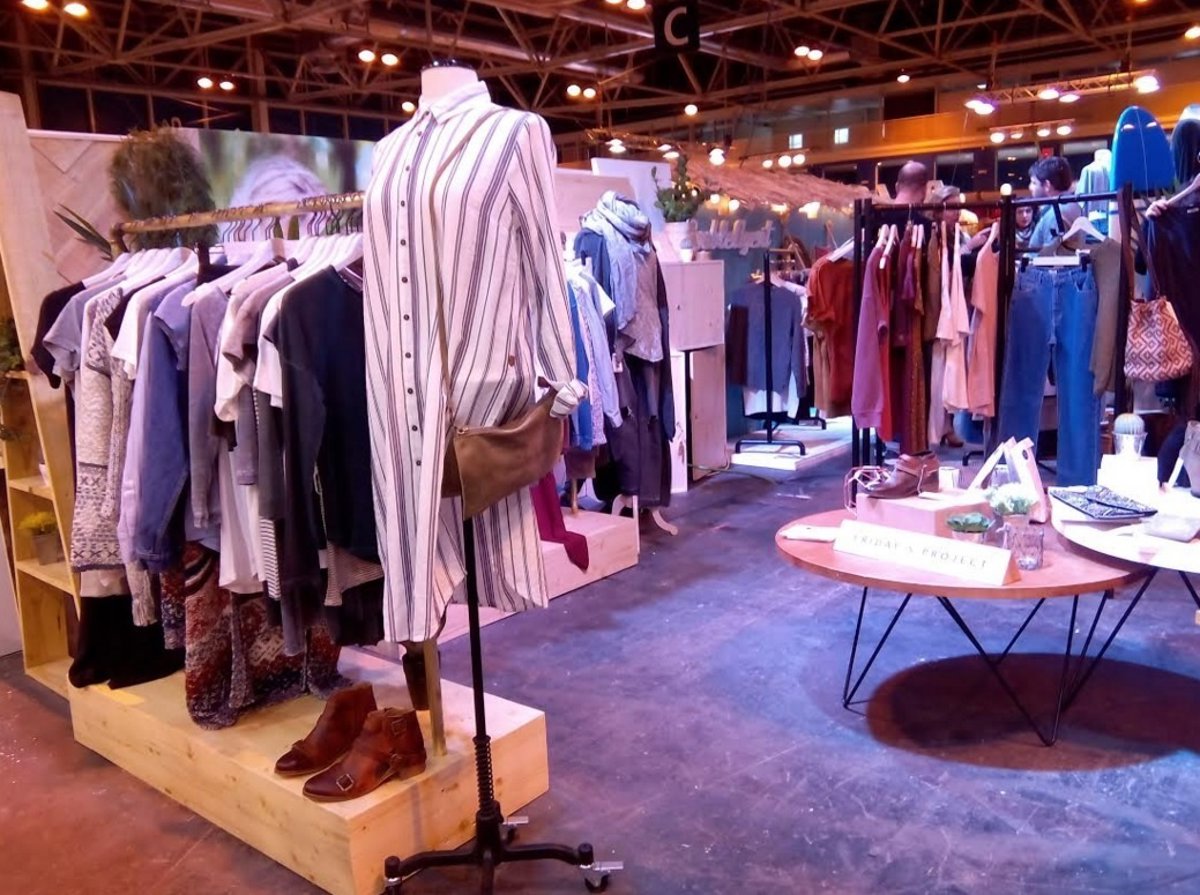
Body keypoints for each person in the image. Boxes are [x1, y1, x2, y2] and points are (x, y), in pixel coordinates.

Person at [1027, 155, 1081, 247]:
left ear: (1047, 185)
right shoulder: (1074, 206)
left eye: (1034, 183)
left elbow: (1051, 254)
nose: (1030, 187)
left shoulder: (1055, 214)